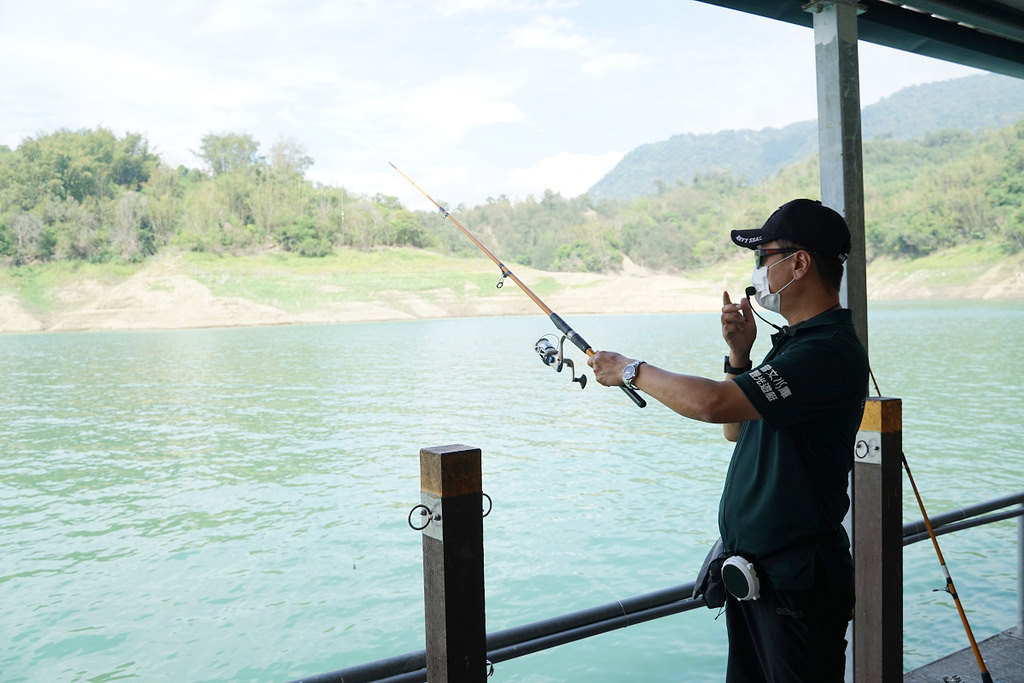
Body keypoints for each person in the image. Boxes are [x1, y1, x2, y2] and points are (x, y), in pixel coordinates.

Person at [588, 198, 868, 682]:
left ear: (799, 263)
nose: (757, 270)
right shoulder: (796, 346)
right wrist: (741, 355)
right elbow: (734, 429)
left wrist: (630, 370)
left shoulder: (826, 352)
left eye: (764, 257)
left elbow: (712, 405)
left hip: (797, 586)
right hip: (760, 580)